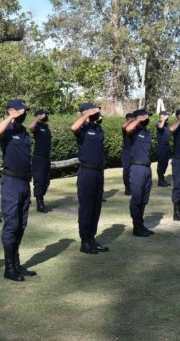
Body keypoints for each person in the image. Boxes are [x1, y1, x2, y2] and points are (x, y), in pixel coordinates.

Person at [0, 99, 37, 281]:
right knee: (11, 224)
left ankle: (17, 264)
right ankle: (9, 268)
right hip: (11, 182)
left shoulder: (24, 132)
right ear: (11, 111)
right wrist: (10, 116)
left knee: (21, 224)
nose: (23, 114)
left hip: (24, 183)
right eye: (20, 111)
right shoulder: (8, 130)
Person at [71, 103, 110, 253]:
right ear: (84, 112)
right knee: (86, 208)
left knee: (96, 208)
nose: (96, 112)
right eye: (93, 109)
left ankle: (92, 238)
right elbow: (73, 128)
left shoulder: (98, 128)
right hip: (86, 172)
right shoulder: (82, 129)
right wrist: (87, 115)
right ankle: (85, 242)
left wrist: (95, 116)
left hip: (99, 172)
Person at [125, 109, 155, 236]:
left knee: (144, 199)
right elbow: (127, 129)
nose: (147, 118)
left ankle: (141, 225)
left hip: (147, 168)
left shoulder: (147, 132)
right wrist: (137, 119)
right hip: (137, 169)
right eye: (145, 116)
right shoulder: (133, 131)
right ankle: (136, 227)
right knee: (137, 198)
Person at [30, 109, 52, 213]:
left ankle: (41, 200)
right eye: (45, 114)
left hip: (46, 157)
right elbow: (30, 127)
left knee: (46, 181)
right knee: (39, 181)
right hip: (38, 158)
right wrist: (37, 118)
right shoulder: (37, 126)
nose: (47, 115)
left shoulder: (46, 127)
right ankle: (40, 204)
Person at [121, 112, 135, 195]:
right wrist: (130, 121)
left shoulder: (136, 127)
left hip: (135, 151)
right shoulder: (125, 127)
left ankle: (134, 187)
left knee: (134, 171)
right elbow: (123, 126)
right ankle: (127, 188)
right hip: (127, 151)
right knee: (126, 170)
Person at [156, 111, 171, 187]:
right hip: (161, 147)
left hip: (167, 146)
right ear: (161, 116)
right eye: (165, 115)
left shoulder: (167, 124)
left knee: (165, 164)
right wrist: (163, 119)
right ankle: (160, 181)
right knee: (161, 164)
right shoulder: (159, 123)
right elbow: (160, 127)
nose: (167, 117)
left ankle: (162, 179)